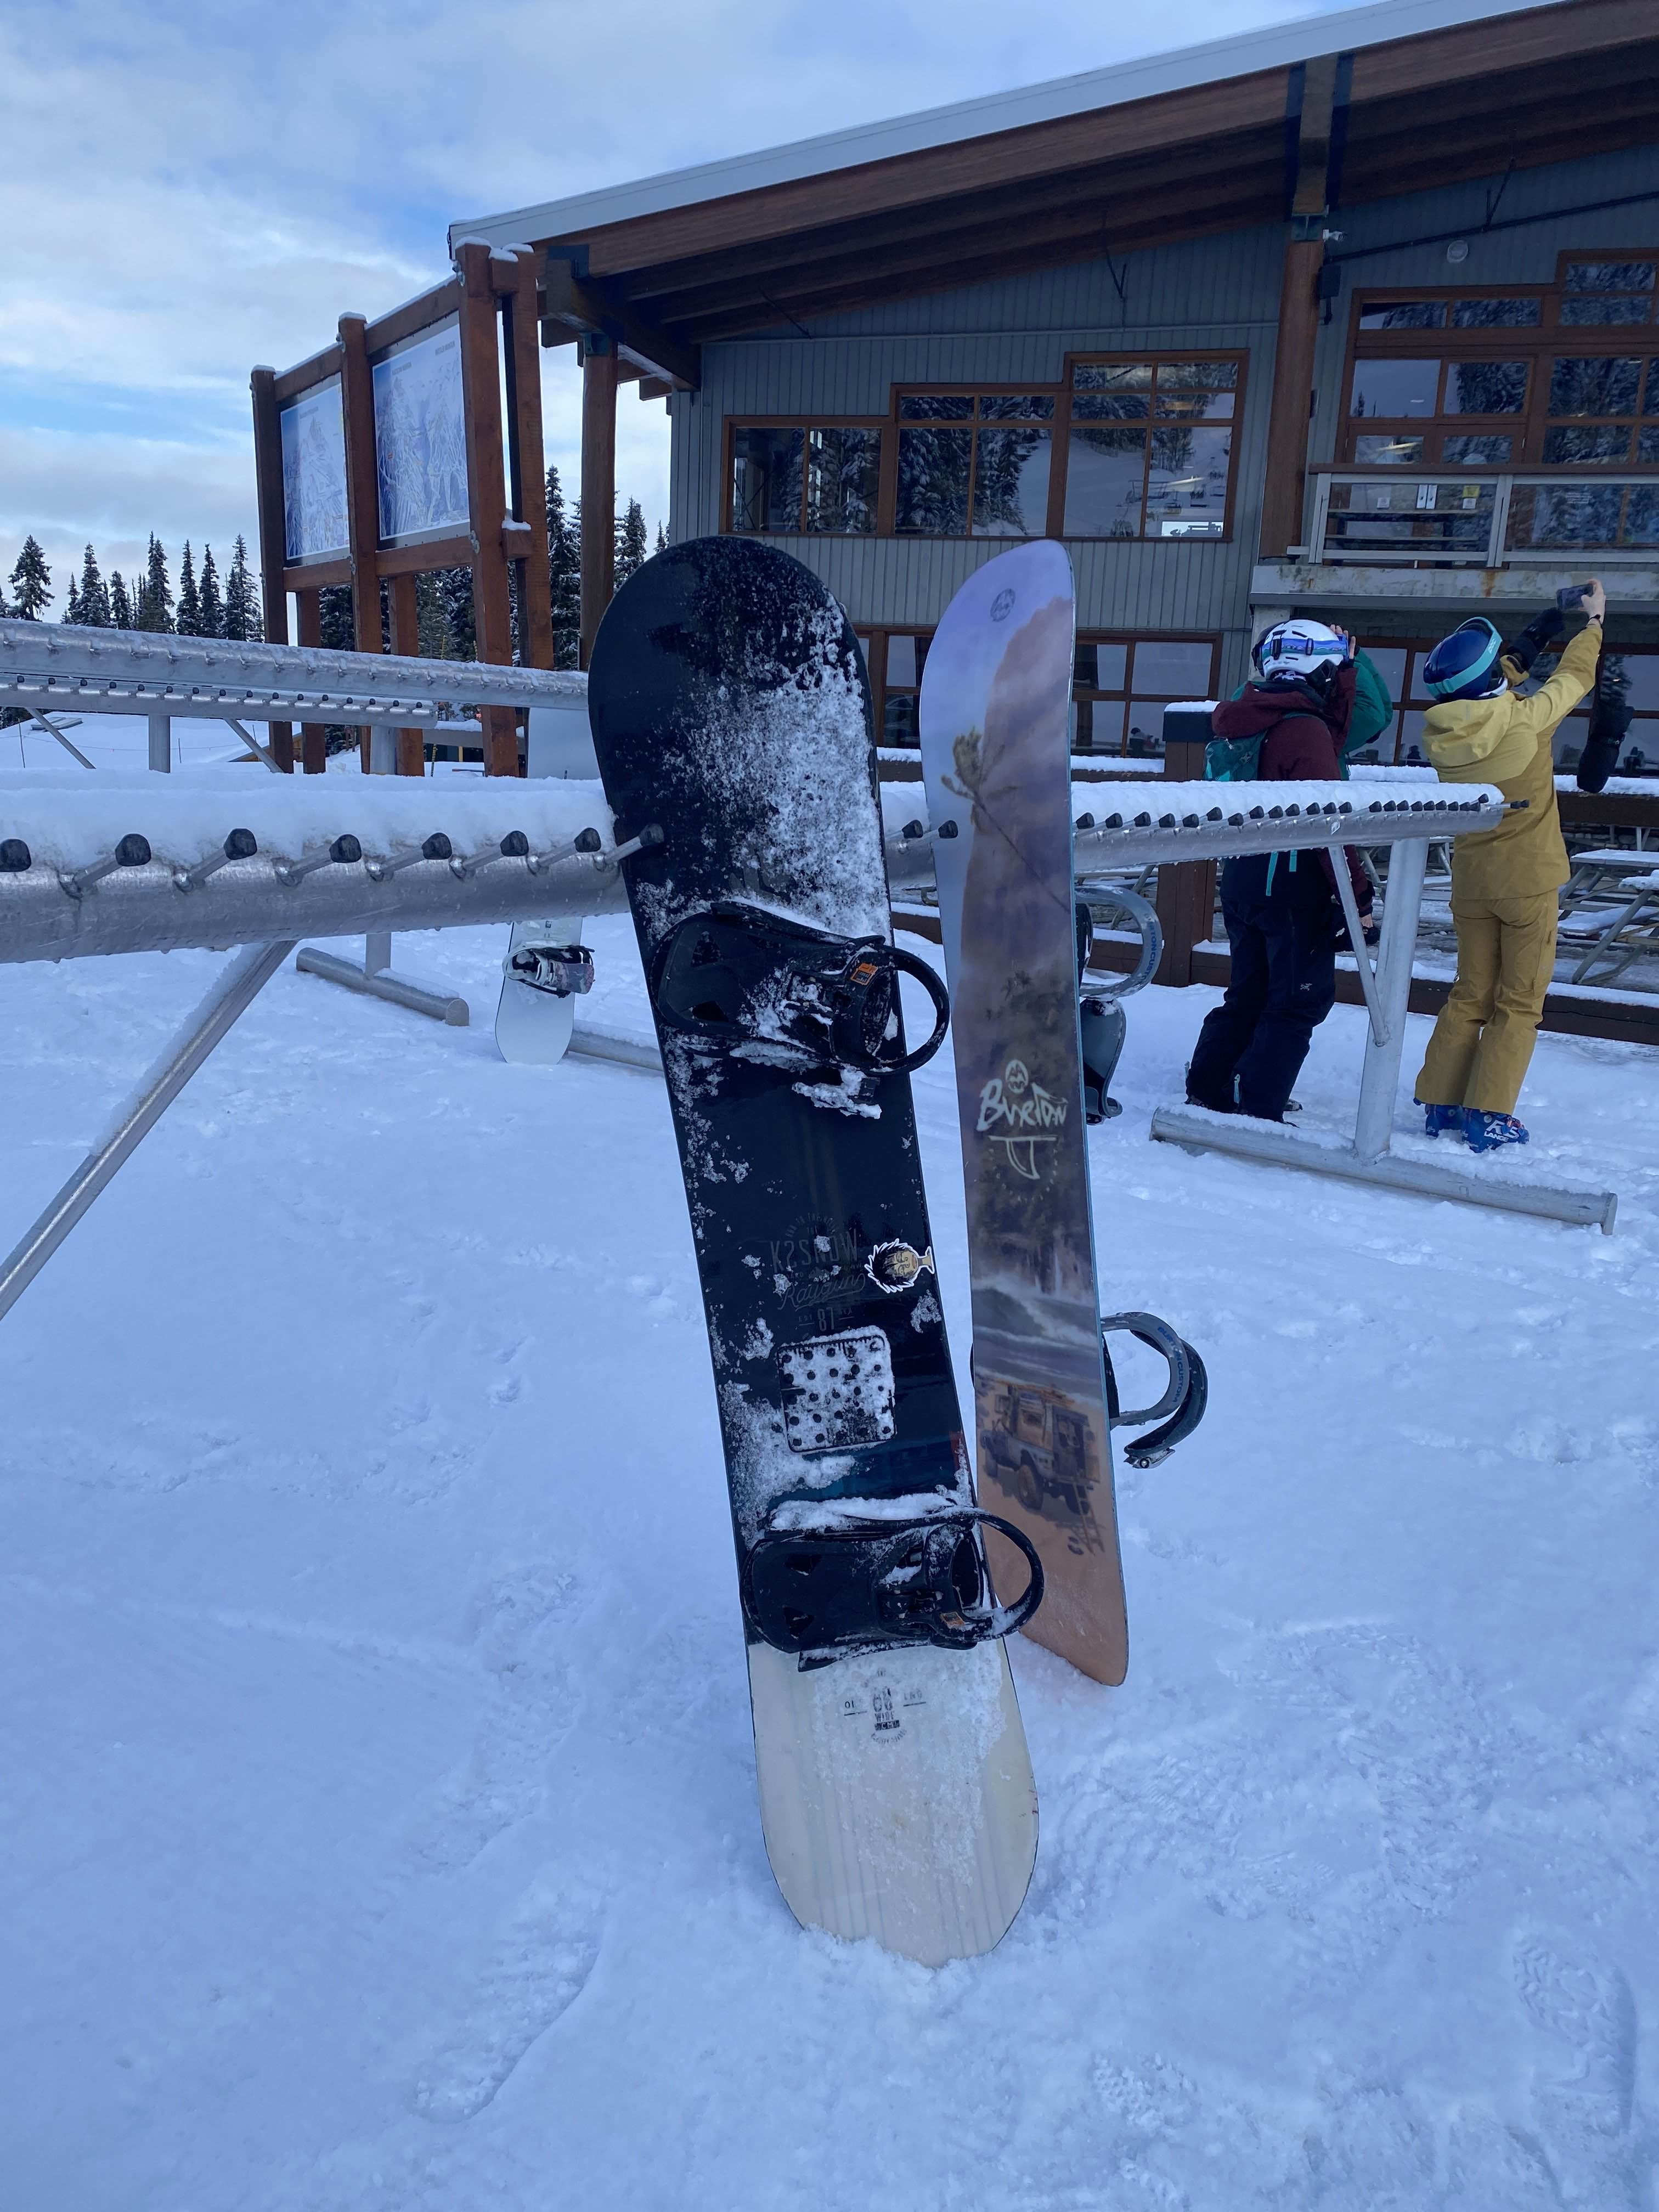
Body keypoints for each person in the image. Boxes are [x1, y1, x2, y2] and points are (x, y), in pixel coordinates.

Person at [1413, 580, 1605, 1152]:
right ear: (1495, 685)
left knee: (1470, 991)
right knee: (1519, 1000)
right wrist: (1591, 625)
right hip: (1528, 882)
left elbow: (1489, 691)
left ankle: (1441, 1101)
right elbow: (1575, 679)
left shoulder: (1443, 734)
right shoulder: (1526, 723)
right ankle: (1489, 1113)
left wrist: (1534, 637)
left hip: (1472, 881)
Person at [1186, 620, 1375, 1121]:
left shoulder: (1254, 718)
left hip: (1246, 883)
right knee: (1297, 1002)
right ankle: (1261, 1106)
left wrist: (1348, 674)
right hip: (1292, 891)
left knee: (1250, 991)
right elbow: (1331, 825)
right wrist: (1357, 900)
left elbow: (1328, 735)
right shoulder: (1302, 730)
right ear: (1320, 670)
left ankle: (1208, 1086)